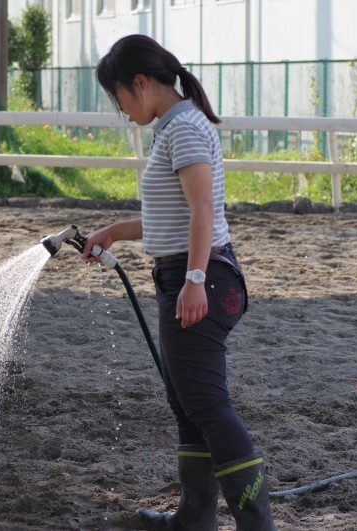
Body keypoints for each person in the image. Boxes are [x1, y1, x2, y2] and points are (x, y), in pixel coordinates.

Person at [83, 34, 276, 530]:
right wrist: (114, 233)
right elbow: (173, 216)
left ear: (141, 84)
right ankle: (194, 518)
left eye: (119, 97)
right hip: (197, 274)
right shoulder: (177, 126)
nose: (122, 110)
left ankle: (257, 524)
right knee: (189, 403)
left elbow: (203, 211)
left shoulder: (183, 129)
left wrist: (192, 280)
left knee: (208, 406)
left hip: (202, 279)